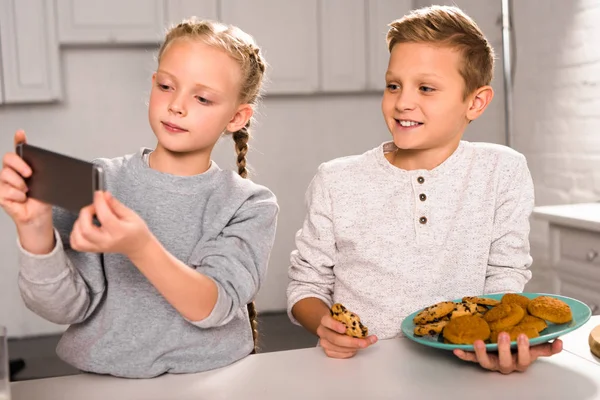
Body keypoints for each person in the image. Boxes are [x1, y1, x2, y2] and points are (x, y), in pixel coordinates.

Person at [287, 5, 561, 374]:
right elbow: (306, 284)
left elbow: (505, 274)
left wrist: (501, 342)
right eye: (393, 85)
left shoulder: (502, 170)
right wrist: (324, 325)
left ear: (475, 102)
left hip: (465, 368)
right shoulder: (336, 179)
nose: (402, 102)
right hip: (361, 372)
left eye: (426, 88)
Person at [0, 18, 278, 379]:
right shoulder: (100, 182)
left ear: (236, 117)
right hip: (103, 384)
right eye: (167, 86)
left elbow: (214, 305)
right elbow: (63, 307)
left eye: (202, 97)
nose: (177, 105)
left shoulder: (249, 205)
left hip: (211, 380)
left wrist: (140, 246)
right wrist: (34, 228)